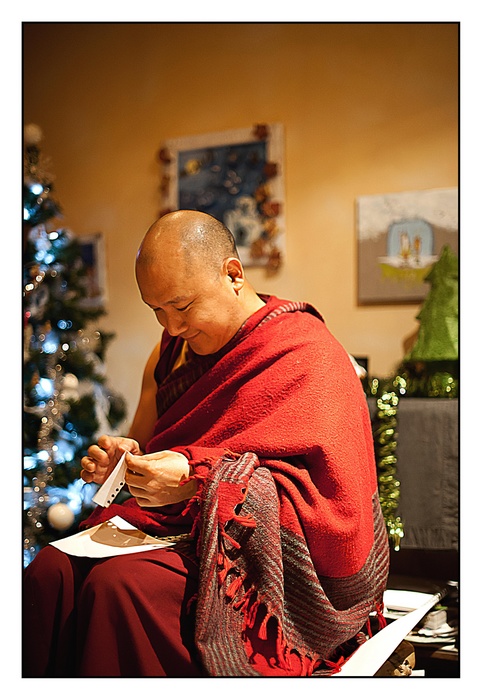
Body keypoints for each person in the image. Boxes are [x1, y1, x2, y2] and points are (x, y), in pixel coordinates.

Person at [23, 210, 389, 677]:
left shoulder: (307, 353)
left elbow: (336, 504)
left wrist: (201, 481)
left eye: (182, 306)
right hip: (170, 528)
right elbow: (148, 445)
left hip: (244, 552)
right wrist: (124, 463)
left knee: (118, 585)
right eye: (156, 311)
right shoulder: (170, 352)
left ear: (233, 275)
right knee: (49, 569)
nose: (172, 327)